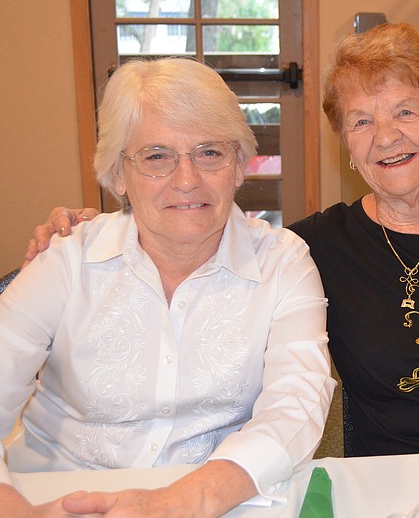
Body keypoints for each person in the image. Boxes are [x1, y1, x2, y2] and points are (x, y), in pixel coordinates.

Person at [27, 23, 419, 457]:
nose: (386, 136)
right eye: (360, 121)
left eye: (406, 110)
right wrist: (98, 227)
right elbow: (195, 222)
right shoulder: (314, 248)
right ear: (347, 147)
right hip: (391, 485)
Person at [2, 58, 335, 516]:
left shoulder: (283, 262)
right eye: (157, 157)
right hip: (57, 496)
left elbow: (297, 403)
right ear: (119, 175)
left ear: (240, 165)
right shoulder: (66, 259)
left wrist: (185, 501)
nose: (186, 180)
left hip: (214, 499)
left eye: (209, 152)